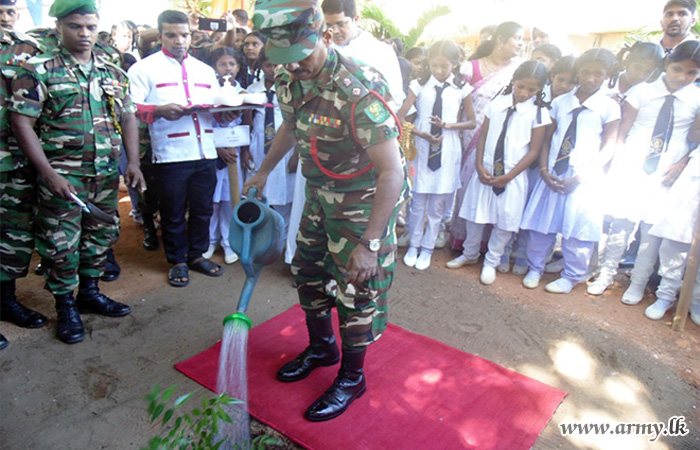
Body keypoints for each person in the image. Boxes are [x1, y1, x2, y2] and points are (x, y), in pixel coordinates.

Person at [247, 0, 408, 422]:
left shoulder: (360, 88)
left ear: (327, 36)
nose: (291, 67)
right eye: (283, 58)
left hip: (362, 202)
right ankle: (322, 348)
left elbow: (392, 172)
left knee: (356, 288)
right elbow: (290, 123)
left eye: (300, 56)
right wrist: (264, 170)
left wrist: (370, 244)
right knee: (307, 270)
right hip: (320, 195)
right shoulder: (290, 75)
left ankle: (352, 377)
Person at [10, 0, 145, 344]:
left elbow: (128, 116)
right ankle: (65, 306)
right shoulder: (39, 70)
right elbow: (22, 123)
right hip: (62, 177)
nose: (84, 34)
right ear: (59, 27)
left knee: (100, 235)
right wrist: (47, 172)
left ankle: (89, 292)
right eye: (75, 26)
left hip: (104, 175)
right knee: (60, 244)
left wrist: (133, 162)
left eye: (91, 27)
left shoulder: (112, 71)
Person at [128, 10, 236, 287]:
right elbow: (131, 108)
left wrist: (229, 112)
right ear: (160, 35)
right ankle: (177, 260)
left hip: (205, 151)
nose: (179, 41)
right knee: (173, 211)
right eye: (171, 35)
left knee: (203, 209)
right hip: (171, 154)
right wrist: (159, 110)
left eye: (184, 35)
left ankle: (197, 255)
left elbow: (216, 109)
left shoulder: (204, 70)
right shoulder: (144, 68)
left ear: (191, 35)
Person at [606, 40, 700, 308]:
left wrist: (682, 163)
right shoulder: (642, 91)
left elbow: (695, 138)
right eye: (677, 69)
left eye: (691, 73)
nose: (682, 77)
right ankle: (606, 272)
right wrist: (619, 161)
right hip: (634, 161)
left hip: (669, 170)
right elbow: (623, 130)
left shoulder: (696, 99)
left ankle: (638, 282)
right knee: (621, 222)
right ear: (667, 64)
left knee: (651, 230)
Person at [519, 48, 620, 294]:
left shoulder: (609, 106)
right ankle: (535, 267)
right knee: (541, 224)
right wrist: (544, 168)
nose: (591, 78)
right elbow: (547, 138)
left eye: (598, 74)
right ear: (578, 72)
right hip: (553, 171)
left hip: (583, 176)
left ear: (607, 75)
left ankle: (571, 275)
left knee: (578, 229)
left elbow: (609, 145)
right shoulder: (560, 102)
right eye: (586, 72)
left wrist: (582, 177)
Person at [449, 61, 550, 286]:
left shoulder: (539, 113)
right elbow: (483, 136)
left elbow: (534, 150)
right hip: (485, 168)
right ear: (513, 81)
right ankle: (469, 253)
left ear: (540, 89)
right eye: (520, 86)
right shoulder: (497, 104)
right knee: (475, 215)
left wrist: (509, 176)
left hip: (513, 174)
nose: (524, 93)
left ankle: (491, 262)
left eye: (531, 90)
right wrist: (478, 165)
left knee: (505, 222)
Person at [396, 40, 476, 271]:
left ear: (455, 64)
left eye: (444, 66)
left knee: (437, 207)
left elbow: (472, 121)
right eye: (434, 66)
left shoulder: (462, 89)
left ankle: (428, 248)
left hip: (448, 148)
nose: (439, 71)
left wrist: (448, 126)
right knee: (417, 203)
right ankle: (414, 245)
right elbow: (401, 115)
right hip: (422, 148)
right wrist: (420, 133)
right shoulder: (418, 86)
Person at [451, 21, 524, 250]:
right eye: (517, 39)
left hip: (501, 140)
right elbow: (457, 103)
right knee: (466, 187)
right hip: (467, 136)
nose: (521, 44)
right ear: (500, 39)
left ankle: (487, 245)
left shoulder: (520, 71)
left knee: (492, 187)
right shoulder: (469, 68)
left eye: (523, 40)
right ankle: (462, 240)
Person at [0, 8, 48, 350]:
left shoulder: (28, 49)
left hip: (16, 160)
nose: (5, 17)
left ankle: (5, 300)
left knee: (13, 235)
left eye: (10, 10)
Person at [321, 0, 405, 110]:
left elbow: (395, 96)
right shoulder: (320, 48)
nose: (334, 31)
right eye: (328, 25)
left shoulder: (381, 51)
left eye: (341, 24)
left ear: (356, 19)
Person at [247, 48, 296, 235]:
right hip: (259, 144)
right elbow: (247, 121)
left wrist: (296, 154)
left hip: (285, 146)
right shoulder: (253, 90)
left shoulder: (291, 87)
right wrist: (245, 150)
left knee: (285, 191)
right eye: (269, 65)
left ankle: (283, 236)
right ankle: (262, 236)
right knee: (259, 190)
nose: (274, 70)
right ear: (261, 65)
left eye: (278, 65)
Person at [204, 46, 245, 265]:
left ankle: (230, 243)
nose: (227, 68)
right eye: (222, 64)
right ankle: (210, 241)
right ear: (214, 67)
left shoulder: (244, 94)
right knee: (212, 201)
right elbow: (205, 123)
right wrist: (217, 146)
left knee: (230, 199)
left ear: (238, 67)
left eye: (231, 64)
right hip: (213, 151)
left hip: (234, 153)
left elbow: (247, 124)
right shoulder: (208, 92)